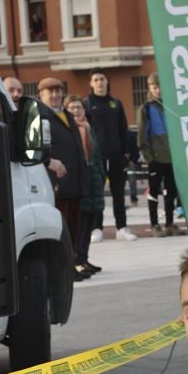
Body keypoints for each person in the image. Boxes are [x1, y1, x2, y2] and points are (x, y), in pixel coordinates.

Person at [37, 75, 87, 253]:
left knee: (74, 227)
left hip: (74, 181)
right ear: (41, 94)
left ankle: (73, 263)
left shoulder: (66, 114)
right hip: (56, 183)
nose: (55, 95)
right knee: (60, 228)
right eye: (50, 91)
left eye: (58, 91)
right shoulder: (39, 116)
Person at [84, 72, 134, 232]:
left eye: (102, 79)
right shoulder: (87, 104)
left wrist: (126, 152)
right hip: (97, 156)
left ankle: (122, 227)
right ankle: (97, 228)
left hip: (116, 155)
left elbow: (123, 128)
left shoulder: (115, 103)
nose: (99, 83)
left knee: (118, 192)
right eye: (96, 80)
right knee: (97, 192)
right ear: (91, 83)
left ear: (107, 82)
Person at [65, 96, 105, 279]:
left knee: (89, 223)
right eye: (72, 108)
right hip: (79, 183)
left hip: (94, 180)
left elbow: (97, 157)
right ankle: (76, 261)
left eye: (78, 107)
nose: (76, 111)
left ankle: (84, 259)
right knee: (79, 225)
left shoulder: (88, 128)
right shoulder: (69, 131)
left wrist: (101, 176)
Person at [140, 77, 180, 236]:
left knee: (171, 192)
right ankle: (154, 224)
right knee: (153, 192)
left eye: (160, 87)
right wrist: (148, 157)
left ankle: (170, 223)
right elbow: (142, 136)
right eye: (154, 87)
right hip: (155, 158)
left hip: (172, 158)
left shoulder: (171, 106)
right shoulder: (146, 108)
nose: (158, 90)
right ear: (150, 89)